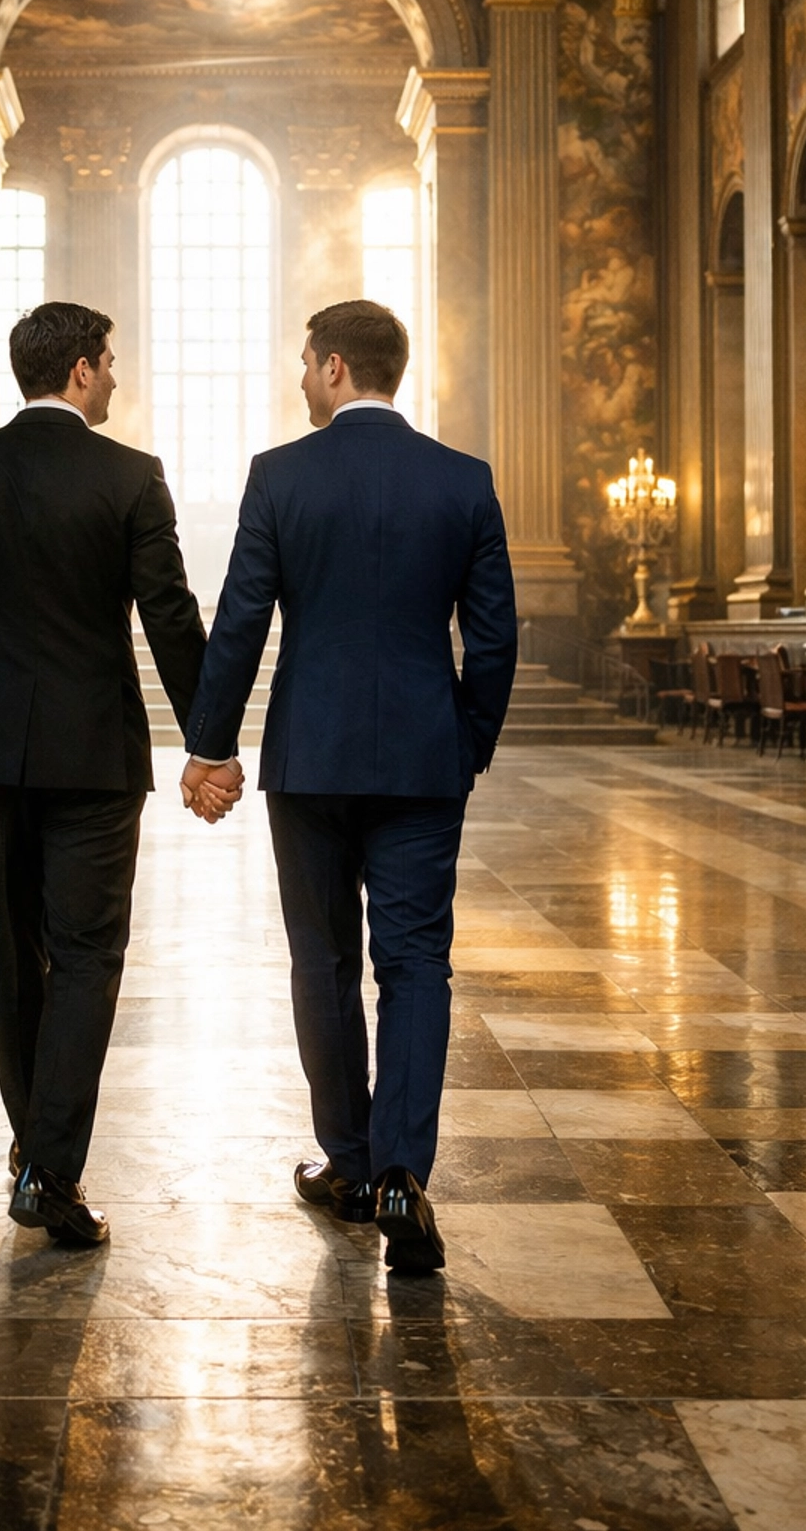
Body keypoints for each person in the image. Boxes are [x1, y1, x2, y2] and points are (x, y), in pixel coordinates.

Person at [182, 300, 517, 1275]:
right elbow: (493, 639)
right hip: (422, 758)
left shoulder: (282, 477)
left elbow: (241, 621)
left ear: (334, 368)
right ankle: (405, 1178)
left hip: (313, 758)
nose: (298, 380)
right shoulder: (463, 482)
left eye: (303, 364)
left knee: (322, 961)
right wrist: (466, 741)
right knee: (416, 963)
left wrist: (211, 745)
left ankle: (349, 1164)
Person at [0, 302, 235, 1251]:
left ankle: (31, 1148)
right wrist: (208, 741)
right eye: (112, 363)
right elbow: (170, 615)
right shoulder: (129, 477)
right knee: (87, 953)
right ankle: (50, 1167)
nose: (117, 378)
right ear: (82, 372)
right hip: (94, 751)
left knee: (16, 945)